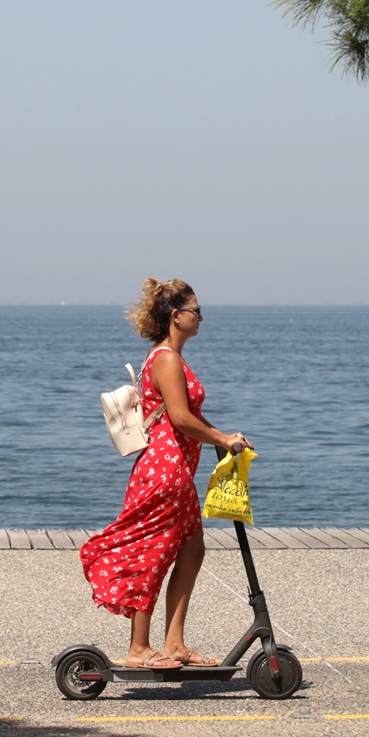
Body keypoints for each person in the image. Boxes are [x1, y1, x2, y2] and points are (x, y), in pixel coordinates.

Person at [79, 278, 251, 669]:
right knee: (153, 553)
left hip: (175, 470)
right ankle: (139, 648)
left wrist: (225, 436)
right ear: (177, 316)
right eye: (196, 311)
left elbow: (189, 418)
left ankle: (174, 644)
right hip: (165, 470)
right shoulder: (167, 359)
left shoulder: (165, 356)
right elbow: (180, 418)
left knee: (191, 551)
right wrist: (221, 439)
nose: (201, 318)